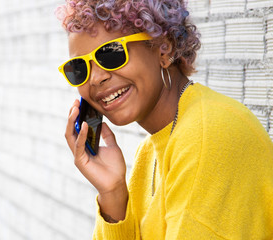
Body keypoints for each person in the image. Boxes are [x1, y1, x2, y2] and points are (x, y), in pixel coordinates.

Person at [56, 0, 273, 239]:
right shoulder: (150, 152)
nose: (96, 78)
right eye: (79, 68)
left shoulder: (206, 136)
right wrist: (113, 194)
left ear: (163, 48)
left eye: (111, 53)